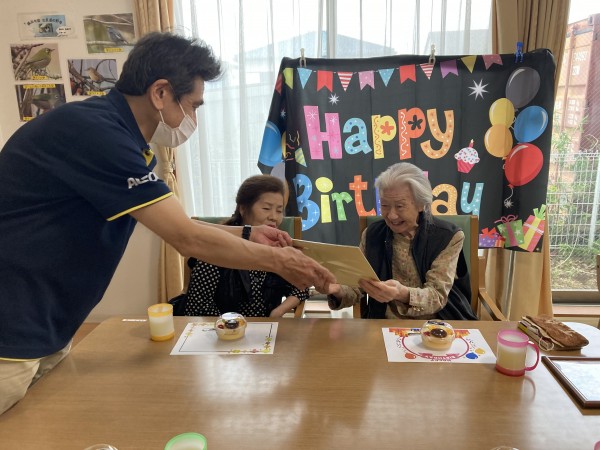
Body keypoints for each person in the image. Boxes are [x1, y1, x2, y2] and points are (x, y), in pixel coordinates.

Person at [0, 32, 335, 415]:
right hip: (14, 322)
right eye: (193, 105)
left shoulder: (121, 139)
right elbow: (187, 238)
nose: (193, 119)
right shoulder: (98, 134)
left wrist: (249, 232)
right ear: (160, 93)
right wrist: (282, 261)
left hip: (49, 320)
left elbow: (176, 223)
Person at [324, 162, 477, 320]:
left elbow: (436, 296)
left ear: (421, 204)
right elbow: (357, 286)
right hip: (382, 324)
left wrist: (401, 293)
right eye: (384, 205)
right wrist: (336, 289)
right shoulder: (372, 234)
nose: (391, 215)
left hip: (436, 324)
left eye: (400, 206)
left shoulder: (447, 237)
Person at [178, 175, 309, 318]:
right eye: (266, 208)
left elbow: (301, 286)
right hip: (219, 328)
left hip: (266, 328)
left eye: (279, 210)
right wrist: (234, 326)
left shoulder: (278, 246)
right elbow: (197, 307)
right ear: (243, 209)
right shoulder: (216, 246)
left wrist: (278, 311)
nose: (274, 217)